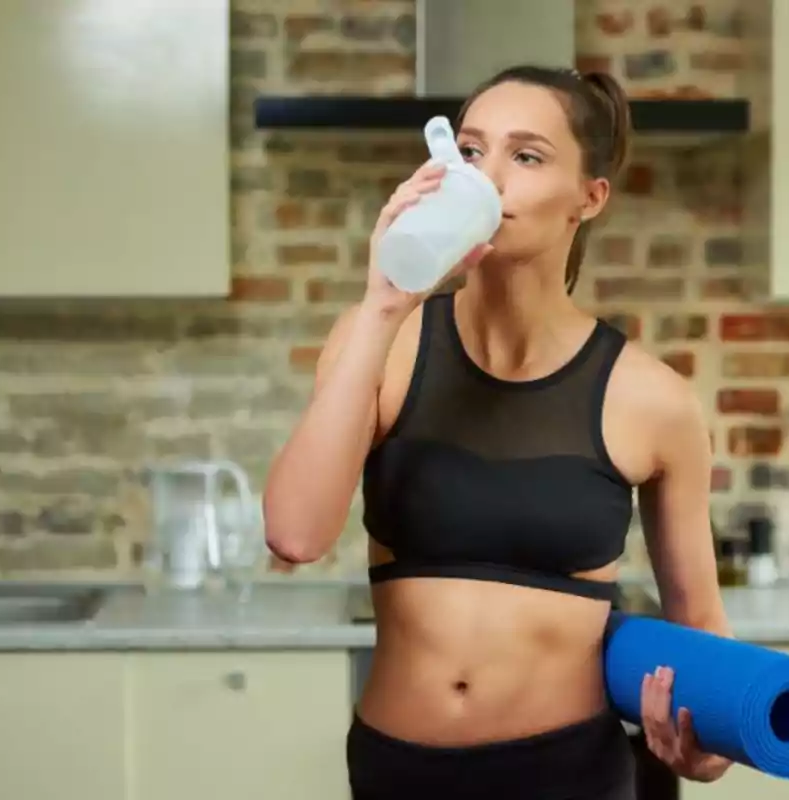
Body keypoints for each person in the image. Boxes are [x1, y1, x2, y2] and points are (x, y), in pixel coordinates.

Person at [264, 64, 734, 800]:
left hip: (570, 776)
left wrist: (703, 750)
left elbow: (701, 628)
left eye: (527, 156)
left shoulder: (654, 400)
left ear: (590, 197)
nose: (489, 178)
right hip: (398, 773)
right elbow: (294, 534)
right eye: (473, 151)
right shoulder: (379, 339)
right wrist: (384, 304)